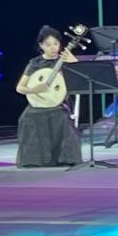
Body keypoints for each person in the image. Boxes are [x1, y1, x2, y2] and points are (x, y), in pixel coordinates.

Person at [15, 26, 83, 167]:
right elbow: (20, 88)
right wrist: (34, 90)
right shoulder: (35, 63)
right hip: (38, 103)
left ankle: (65, 158)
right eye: (48, 44)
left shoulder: (66, 60)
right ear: (41, 46)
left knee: (62, 117)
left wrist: (74, 63)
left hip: (60, 103)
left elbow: (81, 82)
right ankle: (33, 160)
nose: (53, 48)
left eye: (56, 44)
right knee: (26, 118)